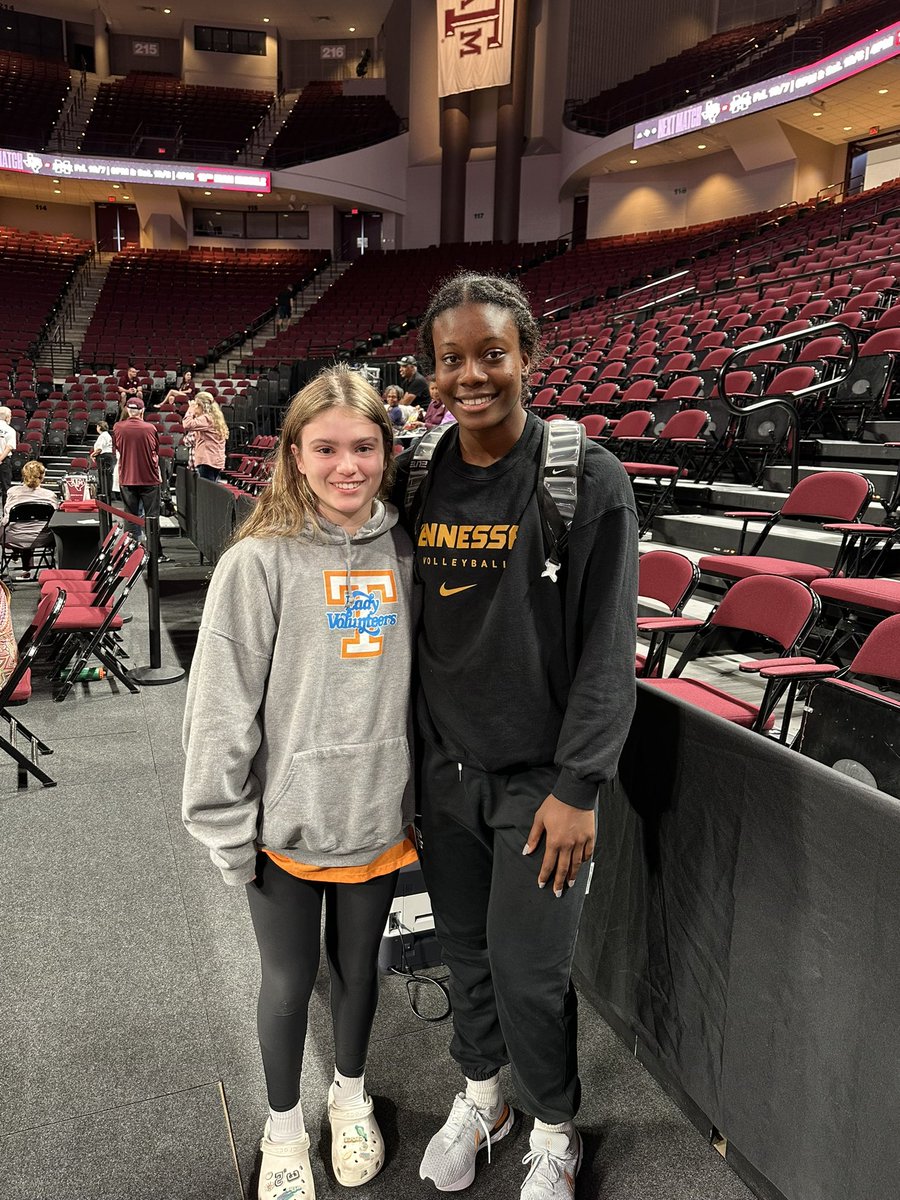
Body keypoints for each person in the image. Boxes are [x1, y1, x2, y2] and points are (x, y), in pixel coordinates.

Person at [393, 272, 639, 1199]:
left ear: (527, 358)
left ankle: (554, 1125)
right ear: (431, 371)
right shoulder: (419, 471)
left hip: (543, 785)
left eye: (491, 354)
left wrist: (580, 787)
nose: (471, 375)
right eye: (451, 359)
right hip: (445, 776)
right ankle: (484, 1096)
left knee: (533, 972)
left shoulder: (586, 477)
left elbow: (612, 653)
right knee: (465, 955)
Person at [182, 365, 417, 1200]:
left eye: (364, 447)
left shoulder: (404, 549)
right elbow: (220, 709)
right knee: (286, 986)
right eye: (326, 448)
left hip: (379, 816)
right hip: (285, 826)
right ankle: (283, 1130)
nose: (347, 465)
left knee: (362, 973)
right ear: (293, 453)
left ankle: (348, 1100)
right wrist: (225, 827)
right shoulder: (258, 561)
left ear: (388, 451)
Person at [112, 397, 169, 562]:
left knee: (130, 516)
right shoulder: (150, 428)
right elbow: (156, 450)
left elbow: (118, 449)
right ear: (142, 411)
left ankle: (130, 553)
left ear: (128, 410)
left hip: (128, 478)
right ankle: (155, 554)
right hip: (149, 479)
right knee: (152, 517)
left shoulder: (118, 427)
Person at [0, 459, 57, 577]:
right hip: (42, 538)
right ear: (42, 477)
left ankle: (18, 556)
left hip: (14, 538)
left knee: (9, 526)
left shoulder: (12, 492)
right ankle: (27, 567)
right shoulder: (50, 495)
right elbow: (55, 519)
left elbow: (6, 519)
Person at [182, 390, 229, 482]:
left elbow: (187, 424)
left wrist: (190, 410)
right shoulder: (215, 417)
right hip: (215, 460)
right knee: (211, 487)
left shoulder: (206, 418)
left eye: (196, 405)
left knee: (207, 490)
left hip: (207, 461)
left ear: (201, 406)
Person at [90, 421, 115, 497]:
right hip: (108, 456)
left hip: (103, 457)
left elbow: (99, 449)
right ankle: (108, 493)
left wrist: (92, 455)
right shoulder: (107, 435)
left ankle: (105, 493)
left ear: (100, 427)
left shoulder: (103, 436)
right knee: (107, 476)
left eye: (97, 427)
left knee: (104, 476)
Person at [0, 405, 16, 516]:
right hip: (3, 462)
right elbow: (9, 447)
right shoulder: (10, 430)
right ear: (7, 417)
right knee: (6, 489)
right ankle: (5, 514)